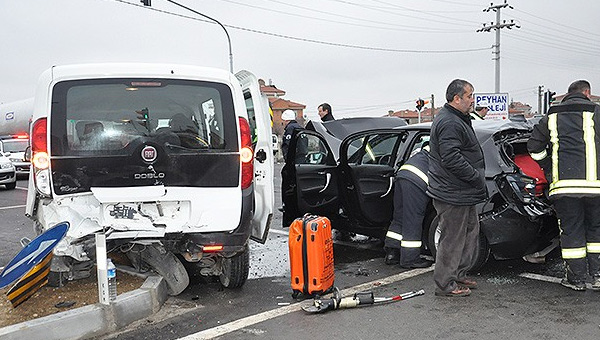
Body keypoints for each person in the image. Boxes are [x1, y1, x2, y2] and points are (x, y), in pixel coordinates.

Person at [527, 80, 600, 291]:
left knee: (572, 231)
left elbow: (534, 147)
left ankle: (576, 279)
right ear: (587, 92)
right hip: (596, 187)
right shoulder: (597, 112)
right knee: (596, 230)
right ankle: (597, 276)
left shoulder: (552, 116)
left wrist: (549, 167)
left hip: (565, 187)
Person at [428, 79, 487, 297]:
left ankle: (459, 274)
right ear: (456, 98)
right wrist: (474, 177)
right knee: (452, 238)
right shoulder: (450, 122)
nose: (473, 100)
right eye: (469, 96)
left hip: (462, 191)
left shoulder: (458, 119)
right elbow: (451, 158)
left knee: (469, 233)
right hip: (452, 191)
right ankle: (445, 285)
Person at [384, 144, 433, 269]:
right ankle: (410, 259)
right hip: (417, 180)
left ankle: (392, 253)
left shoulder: (432, 144)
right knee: (413, 219)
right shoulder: (451, 144)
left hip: (403, 174)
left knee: (400, 216)